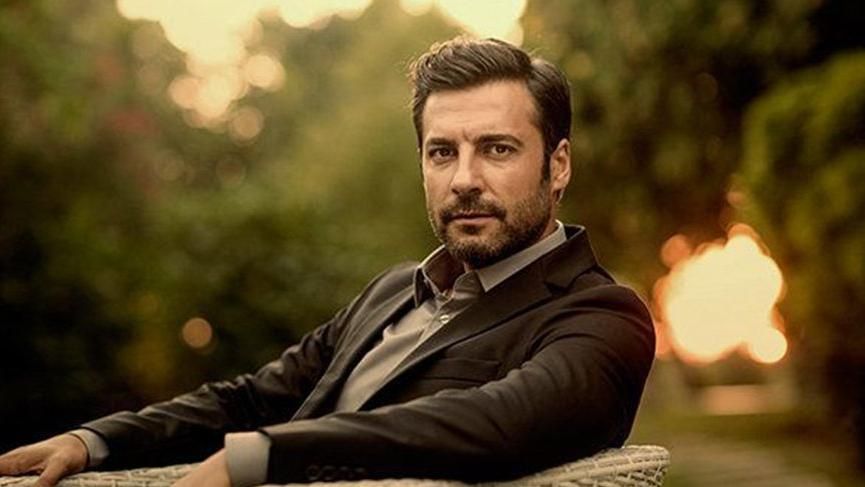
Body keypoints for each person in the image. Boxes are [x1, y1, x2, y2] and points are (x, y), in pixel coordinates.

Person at [0, 37, 655, 487]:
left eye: (497, 149)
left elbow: (498, 423)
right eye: (441, 152)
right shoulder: (394, 290)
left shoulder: (601, 317)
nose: (463, 179)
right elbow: (252, 398)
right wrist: (94, 442)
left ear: (557, 165)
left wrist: (265, 456)